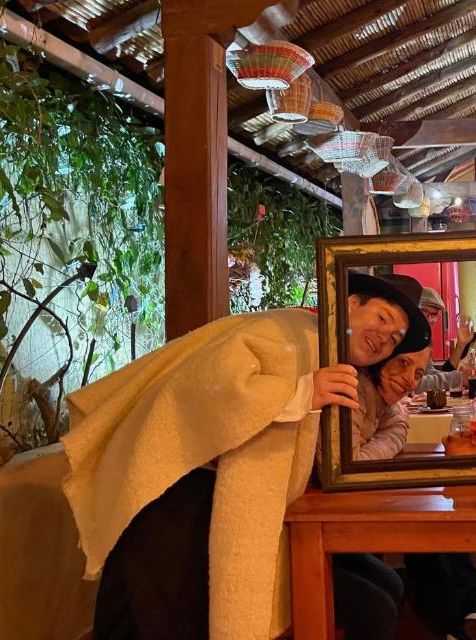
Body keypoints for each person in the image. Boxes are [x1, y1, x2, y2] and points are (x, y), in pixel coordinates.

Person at [68, 272, 431, 640]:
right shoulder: (289, 330)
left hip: (198, 490)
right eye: (383, 319)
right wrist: (300, 391)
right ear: (351, 304)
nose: (385, 337)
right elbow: (207, 385)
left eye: (396, 338)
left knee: (148, 613)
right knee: (158, 617)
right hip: (172, 489)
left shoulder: (320, 344)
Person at [353, 346, 430, 460]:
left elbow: (398, 429)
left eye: (418, 374)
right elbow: (350, 470)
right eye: (403, 362)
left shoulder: (384, 402)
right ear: (382, 356)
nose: (410, 380)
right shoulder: (354, 390)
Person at [417, 287, 465, 393]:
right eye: (424, 312)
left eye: (434, 315)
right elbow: (413, 384)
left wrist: (459, 376)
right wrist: (456, 378)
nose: (429, 319)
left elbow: (428, 372)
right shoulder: (403, 338)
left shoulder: (424, 339)